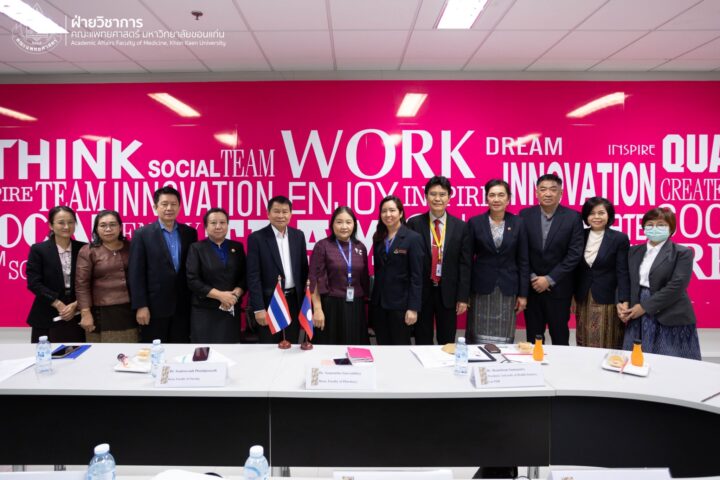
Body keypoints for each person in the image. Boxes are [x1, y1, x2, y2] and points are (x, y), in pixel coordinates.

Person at [619, 207, 701, 360]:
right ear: (643, 227)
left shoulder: (682, 253)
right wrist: (623, 302)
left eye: (661, 225)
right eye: (650, 224)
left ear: (671, 228)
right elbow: (626, 280)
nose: (655, 228)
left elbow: (677, 286)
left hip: (669, 312)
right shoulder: (633, 251)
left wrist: (644, 307)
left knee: (671, 363)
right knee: (636, 361)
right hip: (636, 312)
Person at [407, 176, 472, 345]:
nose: (437, 198)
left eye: (442, 194)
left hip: (448, 293)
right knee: (422, 341)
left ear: (449, 197)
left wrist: (463, 297)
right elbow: (408, 263)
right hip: (422, 293)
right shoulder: (414, 224)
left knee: (447, 342)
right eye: (433, 194)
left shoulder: (461, 227)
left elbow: (465, 265)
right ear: (425, 196)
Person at [519, 173, 583, 345]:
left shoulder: (573, 217)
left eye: (553, 190)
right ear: (536, 193)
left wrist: (549, 279)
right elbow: (521, 251)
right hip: (532, 289)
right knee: (533, 339)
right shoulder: (525, 215)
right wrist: (533, 277)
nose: (548, 193)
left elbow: (574, 254)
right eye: (543, 189)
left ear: (561, 193)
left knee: (560, 337)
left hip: (559, 289)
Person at [128, 186, 198, 343]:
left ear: (179, 207)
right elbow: (136, 274)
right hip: (154, 308)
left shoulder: (190, 233)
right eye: (164, 204)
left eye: (173, 204)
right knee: (155, 352)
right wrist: (141, 305)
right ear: (155, 207)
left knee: (180, 350)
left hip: (183, 306)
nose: (169, 208)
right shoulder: (142, 234)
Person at [466, 179, 529, 345]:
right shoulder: (475, 223)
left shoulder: (518, 223)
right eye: (492, 195)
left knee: (504, 340)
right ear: (486, 198)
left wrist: (523, 294)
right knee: (477, 340)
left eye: (501, 195)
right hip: (481, 289)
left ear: (508, 199)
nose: (496, 199)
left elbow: (523, 261)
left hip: (507, 289)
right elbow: (467, 261)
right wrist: (464, 294)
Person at [246, 196, 308, 344]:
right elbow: (253, 276)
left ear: (291, 214)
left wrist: (305, 304)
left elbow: (304, 270)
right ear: (268, 213)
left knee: (292, 345)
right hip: (269, 303)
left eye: (285, 212)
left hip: (293, 301)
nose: (281, 215)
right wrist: (258, 308)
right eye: (276, 211)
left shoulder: (298, 236)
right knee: (269, 347)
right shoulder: (256, 238)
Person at [573, 197, 630, 349]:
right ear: (586, 216)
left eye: (601, 213)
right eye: (592, 213)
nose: (596, 217)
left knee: (608, 338)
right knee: (584, 338)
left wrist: (624, 299)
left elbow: (623, 271)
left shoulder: (619, 238)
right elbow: (574, 268)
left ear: (609, 215)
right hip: (583, 296)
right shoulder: (579, 235)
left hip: (608, 297)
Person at [309, 206, 370, 345]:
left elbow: (364, 279)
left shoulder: (360, 247)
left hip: (356, 306)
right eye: (339, 222)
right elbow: (314, 280)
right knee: (330, 350)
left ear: (354, 224)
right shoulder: (322, 246)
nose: (344, 226)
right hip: (330, 307)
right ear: (332, 224)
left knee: (355, 349)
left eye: (348, 222)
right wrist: (317, 309)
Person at [26, 206, 87, 343]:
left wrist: (76, 305)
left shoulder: (84, 248)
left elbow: (90, 282)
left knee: (78, 354)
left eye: (71, 222)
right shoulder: (39, 249)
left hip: (77, 315)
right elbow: (34, 283)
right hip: (46, 314)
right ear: (51, 225)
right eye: (61, 222)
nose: (66, 226)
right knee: (46, 354)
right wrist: (58, 304)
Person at [75, 210, 137, 342]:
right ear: (96, 229)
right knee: (103, 352)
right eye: (103, 225)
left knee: (130, 352)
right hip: (101, 313)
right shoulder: (88, 251)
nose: (108, 229)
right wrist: (85, 313)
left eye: (112, 225)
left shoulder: (132, 247)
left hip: (131, 310)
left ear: (120, 227)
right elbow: (82, 285)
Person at [186, 208, 247, 343]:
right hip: (204, 312)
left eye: (222, 222)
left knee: (230, 351)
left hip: (230, 309)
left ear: (227, 225)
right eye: (213, 223)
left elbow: (245, 276)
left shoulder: (237, 247)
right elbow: (193, 280)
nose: (218, 226)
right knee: (204, 352)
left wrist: (235, 294)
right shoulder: (196, 248)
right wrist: (220, 296)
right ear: (206, 226)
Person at [371, 195, 423, 345]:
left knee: (400, 348)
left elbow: (416, 277)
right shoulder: (378, 237)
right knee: (382, 346)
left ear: (400, 213)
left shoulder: (413, 238)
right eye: (384, 211)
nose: (388, 214)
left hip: (401, 306)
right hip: (380, 305)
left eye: (392, 210)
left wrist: (413, 308)